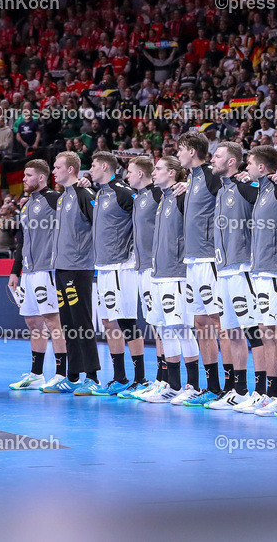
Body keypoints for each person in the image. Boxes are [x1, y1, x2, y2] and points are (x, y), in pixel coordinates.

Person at [79, 152, 147, 396]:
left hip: (122, 266)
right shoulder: (101, 193)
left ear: (105, 167)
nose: (90, 169)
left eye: (93, 165)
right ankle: (119, 377)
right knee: (109, 322)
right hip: (104, 267)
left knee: (127, 321)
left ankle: (141, 379)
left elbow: (145, 215)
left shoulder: (124, 191)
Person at [208, 141, 267, 411]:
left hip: (244, 268)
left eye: (218, 156)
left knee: (254, 332)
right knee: (231, 332)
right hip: (224, 270)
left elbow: (271, 198)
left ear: (232, 162)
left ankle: (263, 391)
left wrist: (272, 178)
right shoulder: (223, 189)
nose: (213, 158)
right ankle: (239, 390)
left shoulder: (246, 187)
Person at [138, 156, 201, 403]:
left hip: (177, 272)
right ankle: (172, 385)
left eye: (159, 169)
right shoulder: (163, 198)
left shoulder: (182, 195)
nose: (154, 173)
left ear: (173, 173)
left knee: (182, 329)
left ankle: (193, 385)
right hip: (159, 272)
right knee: (165, 330)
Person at [243, 145, 277, 417]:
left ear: (262, 167)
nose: (247, 167)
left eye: (250, 163)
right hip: (261, 270)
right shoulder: (262, 191)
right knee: (266, 332)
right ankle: (272, 392)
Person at [175, 132, 227, 406]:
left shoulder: (210, 175)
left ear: (193, 151)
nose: (178, 154)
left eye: (180, 150)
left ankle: (232, 388)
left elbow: (234, 198)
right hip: (192, 261)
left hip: (209, 259)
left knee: (219, 323)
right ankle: (212, 386)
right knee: (200, 323)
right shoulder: (192, 178)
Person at [5, 160, 66, 390]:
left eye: (28, 175)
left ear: (41, 177)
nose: (24, 179)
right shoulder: (26, 205)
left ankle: (62, 373)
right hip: (29, 272)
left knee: (53, 320)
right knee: (32, 321)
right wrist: (15, 271)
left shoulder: (54, 199)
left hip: (47, 269)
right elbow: (22, 241)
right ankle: (36, 373)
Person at [45, 151, 98, 394]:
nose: (53, 171)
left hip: (79, 268)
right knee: (68, 323)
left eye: (57, 167)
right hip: (62, 267)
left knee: (82, 321)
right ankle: (73, 376)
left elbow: (99, 225)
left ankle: (92, 377)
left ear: (71, 170)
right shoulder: (62, 197)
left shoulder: (84, 193)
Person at [121, 156, 173, 400]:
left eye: (130, 172)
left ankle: (168, 381)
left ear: (141, 174)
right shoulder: (138, 197)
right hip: (141, 268)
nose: (127, 176)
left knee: (164, 326)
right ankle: (160, 379)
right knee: (155, 324)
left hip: (158, 268)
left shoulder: (156, 194)